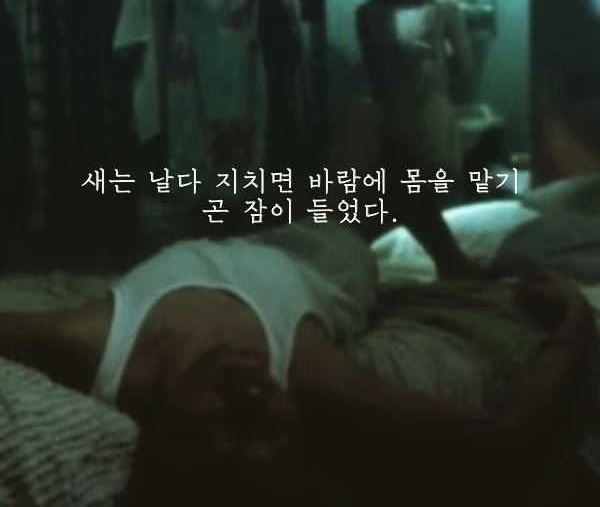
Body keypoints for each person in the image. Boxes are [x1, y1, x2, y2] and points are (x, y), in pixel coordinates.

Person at [0, 99, 596, 507]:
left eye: (223, 439)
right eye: (277, 440)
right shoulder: (313, 379)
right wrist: (574, 319)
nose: (253, 401)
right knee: (365, 119)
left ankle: (448, 256)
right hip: (319, 249)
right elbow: (510, 444)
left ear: (154, 449)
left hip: (231, 232)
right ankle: (453, 260)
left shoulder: (88, 342)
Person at [356, 0, 474, 202]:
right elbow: (466, 66)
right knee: (442, 206)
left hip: (389, 122)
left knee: (397, 206)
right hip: (433, 121)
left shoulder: (366, 13)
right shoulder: (444, 7)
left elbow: (373, 72)